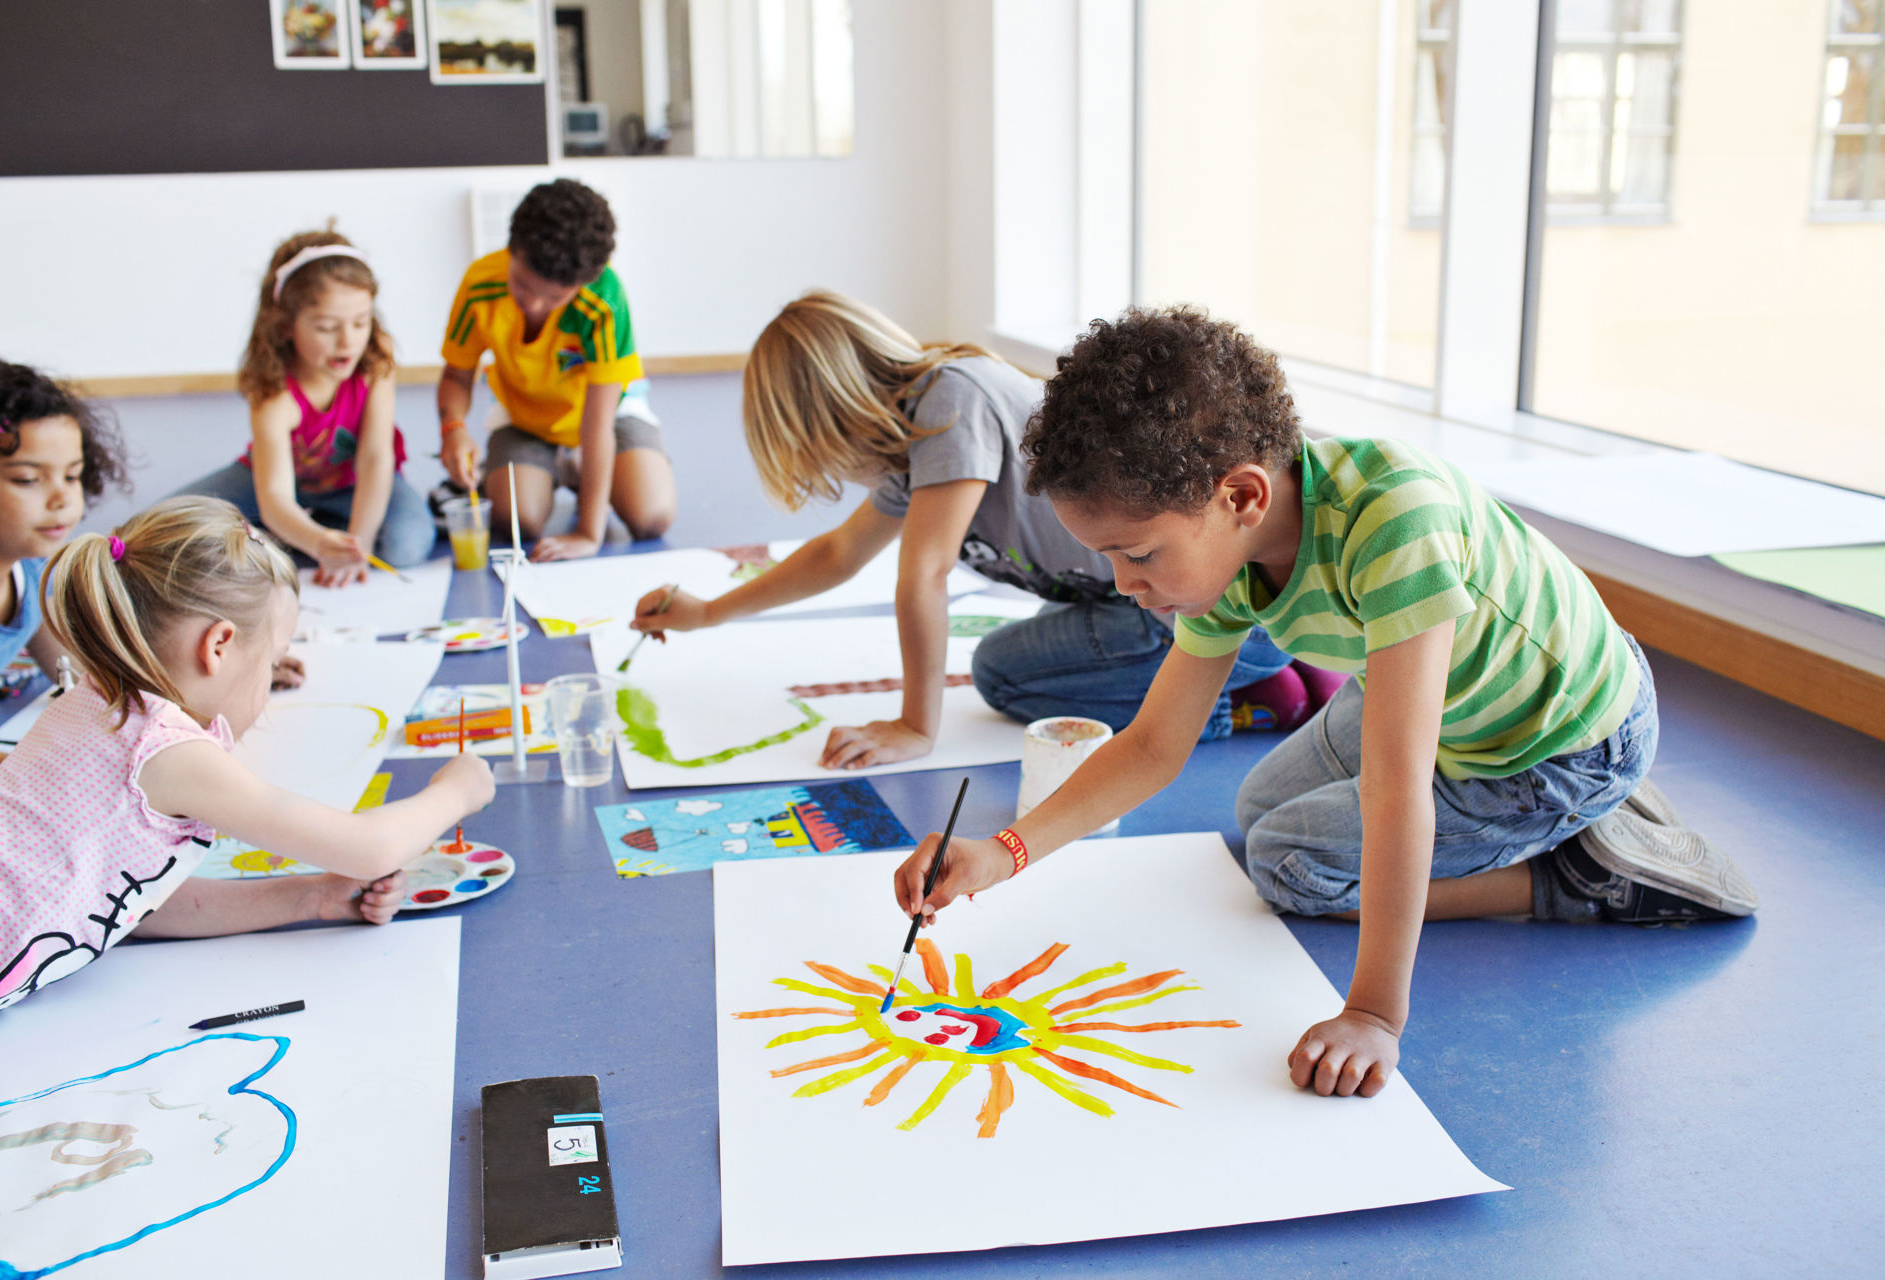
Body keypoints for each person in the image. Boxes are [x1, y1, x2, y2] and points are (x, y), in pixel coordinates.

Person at [892, 306, 1756, 1097]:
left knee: (1288, 864)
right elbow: (1156, 745)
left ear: (1240, 496)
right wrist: (1000, 852)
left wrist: (1374, 1015)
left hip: (1552, 741)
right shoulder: (1229, 555)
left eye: (1139, 555)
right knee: (1259, 804)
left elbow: (1396, 790)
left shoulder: (1396, 522)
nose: (1125, 584)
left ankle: (1582, 870)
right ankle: (1570, 826)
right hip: (1457, 703)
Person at [629, 291, 1312, 770]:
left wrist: (916, 727)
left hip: (1190, 600)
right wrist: (709, 613)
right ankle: (1261, 668)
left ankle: (1248, 695)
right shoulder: (914, 442)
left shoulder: (951, 398)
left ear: (830, 413)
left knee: (1002, 673)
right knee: (1047, 644)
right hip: (1137, 595)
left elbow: (923, 573)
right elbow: (839, 553)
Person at [0, 497, 493, 1026]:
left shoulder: (96, 700)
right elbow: (369, 848)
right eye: (269, 659)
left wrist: (309, 897)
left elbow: (120, 903)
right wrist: (455, 791)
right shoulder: (163, 749)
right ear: (218, 645)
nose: (268, 678)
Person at [175, 229, 434, 584]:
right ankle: (303, 527)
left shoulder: (376, 354)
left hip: (354, 482)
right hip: (275, 481)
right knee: (168, 527)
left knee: (407, 544)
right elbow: (275, 495)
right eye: (327, 327)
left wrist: (357, 544)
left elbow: (376, 457)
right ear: (285, 326)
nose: (348, 341)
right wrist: (317, 542)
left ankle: (311, 527)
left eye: (361, 322)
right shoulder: (274, 390)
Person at [438, 178, 674, 558]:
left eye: (554, 297)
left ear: (583, 282)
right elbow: (455, 376)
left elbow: (598, 424)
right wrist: (453, 429)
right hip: (526, 419)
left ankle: (588, 474)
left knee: (651, 518)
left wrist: (587, 532)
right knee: (518, 520)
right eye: (522, 285)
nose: (533, 304)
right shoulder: (480, 283)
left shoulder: (603, 300)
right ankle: (563, 472)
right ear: (511, 249)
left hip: (605, 419)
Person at [0, 356, 126, 699]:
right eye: (27, 480)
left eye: (72, 476)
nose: (61, 498)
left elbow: (77, 676)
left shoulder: (33, 572)